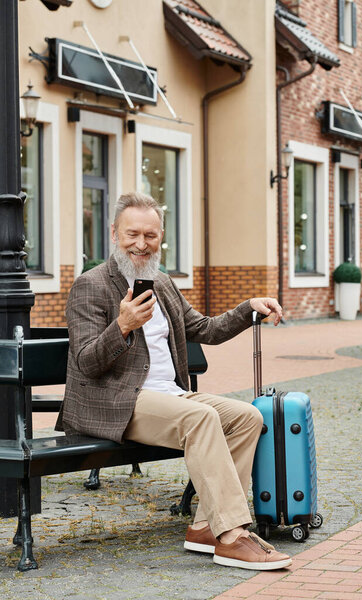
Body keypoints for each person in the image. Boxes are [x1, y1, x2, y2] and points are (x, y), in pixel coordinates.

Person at [56, 191, 291, 571]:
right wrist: (123, 326)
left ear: (161, 236)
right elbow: (85, 363)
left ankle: (203, 526)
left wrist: (249, 307)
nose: (141, 244)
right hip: (116, 402)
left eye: (150, 235)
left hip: (170, 396)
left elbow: (205, 329)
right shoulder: (91, 285)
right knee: (200, 419)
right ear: (115, 233)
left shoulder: (160, 282)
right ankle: (231, 534)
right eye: (132, 234)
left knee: (247, 417)